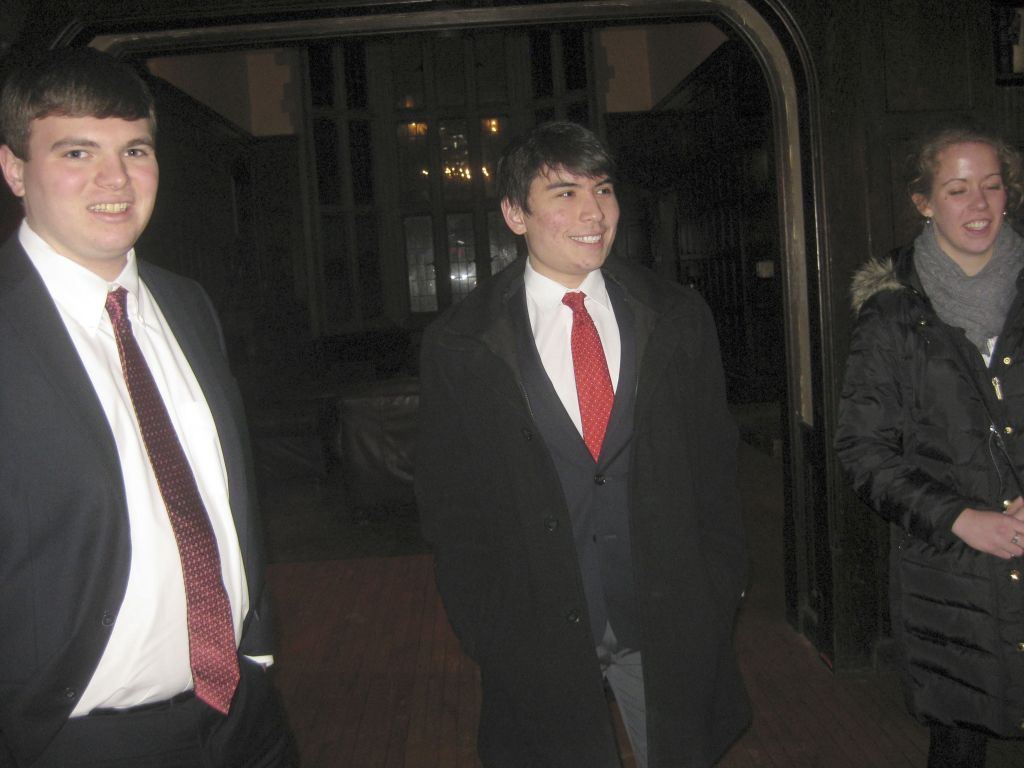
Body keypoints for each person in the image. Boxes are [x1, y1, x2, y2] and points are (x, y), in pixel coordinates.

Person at [415, 120, 750, 768]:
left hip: (668, 620)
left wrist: (718, 590)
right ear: (515, 214)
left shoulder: (677, 317)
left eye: (603, 189)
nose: (594, 213)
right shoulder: (460, 343)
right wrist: (486, 625)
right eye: (565, 194)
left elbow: (715, 464)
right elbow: (448, 502)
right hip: (535, 630)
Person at [0, 48, 292, 767]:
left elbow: (226, 496)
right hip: (74, 738)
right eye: (77, 152)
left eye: (134, 150)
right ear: (14, 169)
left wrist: (255, 648)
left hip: (242, 715)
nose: (115, 179)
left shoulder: (186, 305)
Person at [836, 125, 1024, 768]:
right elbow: (863, 450)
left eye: (993, 186)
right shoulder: (892, 314)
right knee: (960, 737)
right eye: (958, 189)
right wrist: (960, 518)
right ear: (924, 202)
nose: (980, 204)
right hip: (952, 570)